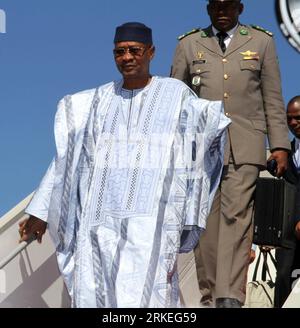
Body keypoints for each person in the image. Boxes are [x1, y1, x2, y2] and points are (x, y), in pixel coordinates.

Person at [18, 22, 230, 308]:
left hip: (152, 222)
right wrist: (41, 212)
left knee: (150, 297)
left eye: (134, 50)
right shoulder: (96, 102)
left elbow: (204, 135)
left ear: (151, 53)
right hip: (99, 223)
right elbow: (68, 157)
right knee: (97, 293)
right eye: (120, 52)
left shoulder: (175, 95)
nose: (127, 57)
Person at [171, 0, 290, 308]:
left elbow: (272, 97)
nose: (221, 11)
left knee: (236, 218)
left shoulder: (261, 42)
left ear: (240, 8)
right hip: (200, 150)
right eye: (215, 6)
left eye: (228, 5)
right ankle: (211, 297)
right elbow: (175, 102)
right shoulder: (189, 44)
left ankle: (229, 295)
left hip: (245, 145)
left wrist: (279, 145)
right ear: (208, 9)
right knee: (206, 224)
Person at [274, 96, 300, 308]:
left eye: (298, 118)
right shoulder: (285, 154)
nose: (293, 123)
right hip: (288, 234)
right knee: (283, 279)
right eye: (289, 119)